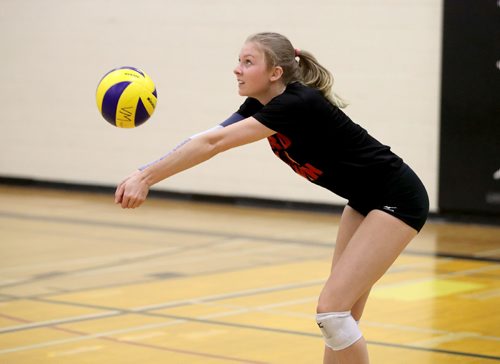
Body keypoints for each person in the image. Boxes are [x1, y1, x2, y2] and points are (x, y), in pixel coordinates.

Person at [115, 32, 429, 363]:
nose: (237, 69)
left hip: (396, 197)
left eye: (248, 62)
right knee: (341, 316)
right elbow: (206, 138)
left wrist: (146, 178)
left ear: (275, 73)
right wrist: (142, 172)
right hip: (364, 199)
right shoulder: (259, 105)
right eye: (239, 61)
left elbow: (213, 144)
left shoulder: (296, 104)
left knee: (332, 312)